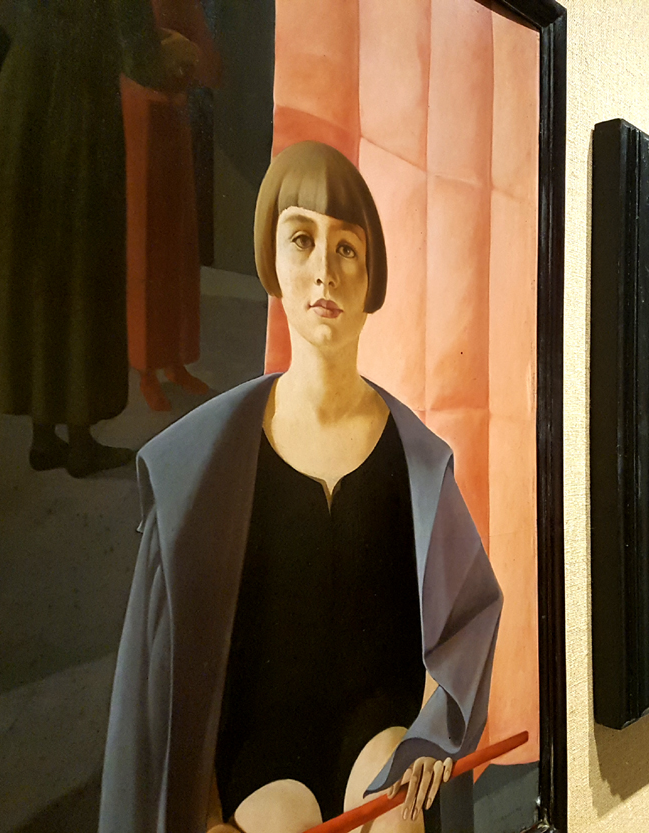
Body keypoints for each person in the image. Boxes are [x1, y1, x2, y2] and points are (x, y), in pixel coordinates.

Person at [99, 141, 502, 833]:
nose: (325, 271)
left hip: (378, 730)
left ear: (371, 278)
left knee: (396, 820)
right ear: (273, 261)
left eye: (347, 248)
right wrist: (207, 813)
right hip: (262, 751)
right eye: (302, 239)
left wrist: (436, 732)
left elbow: (472, 610)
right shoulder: (211, 455)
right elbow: (165, 665)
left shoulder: (415, 456)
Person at [0, 0, 200, 476]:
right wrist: (177, 53)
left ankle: (43, 438)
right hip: (79, 108)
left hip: (24, 97)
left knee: (39, 264)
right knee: (82, 265)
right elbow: (140, 55)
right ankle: (80, 444)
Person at [122, 0, 220, 411]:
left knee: (179, 244)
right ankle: (146, 369)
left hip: (176, 109)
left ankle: (176, 361)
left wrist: (188, 59)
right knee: (146, 241)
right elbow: (128, 47)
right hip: (142, 108)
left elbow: (207, 60)